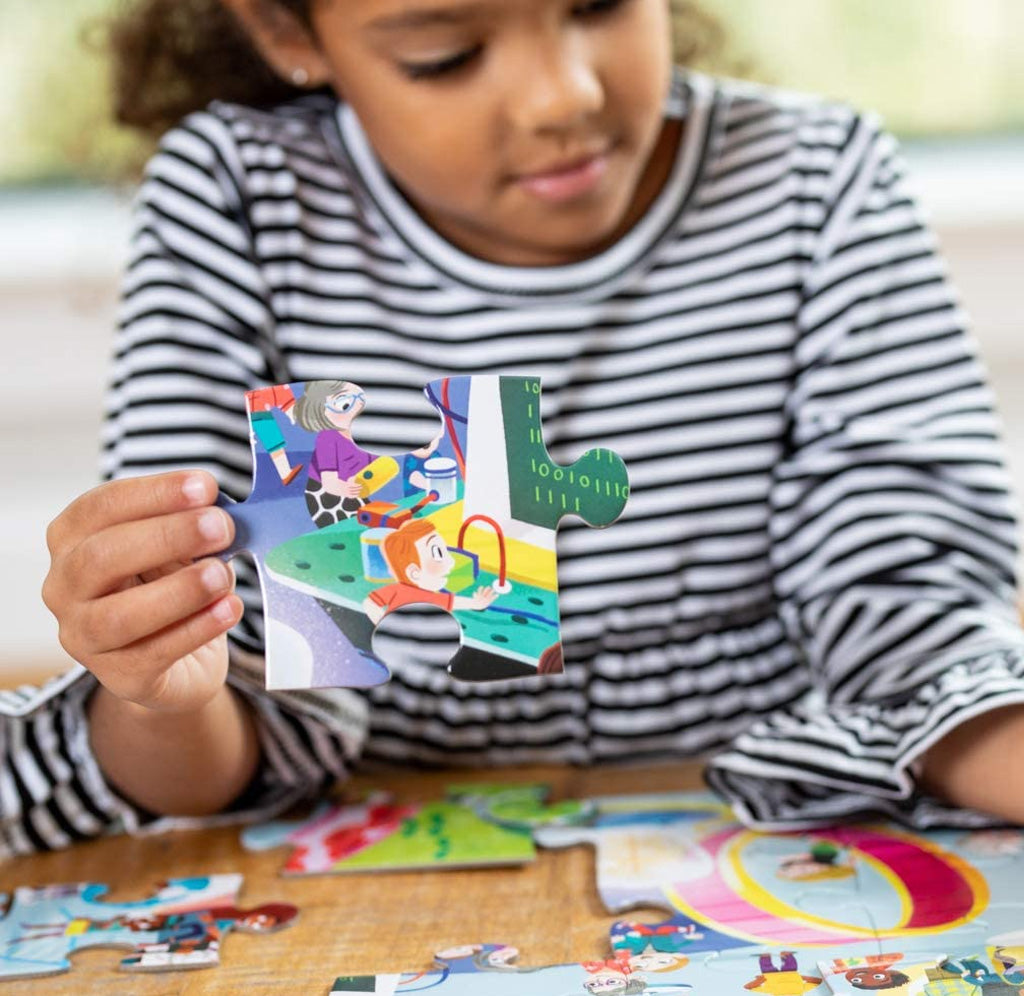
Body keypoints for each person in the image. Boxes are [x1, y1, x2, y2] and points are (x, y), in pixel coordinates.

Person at [11, 0, 1024, 859]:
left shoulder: (818, 178)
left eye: (599, 2)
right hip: (369, 830)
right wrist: (160, 695)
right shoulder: (240, 198)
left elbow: (914, 627)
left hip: (767, 838)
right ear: (287, 32)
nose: (564, 97)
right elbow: (223, 712)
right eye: (443, 56)